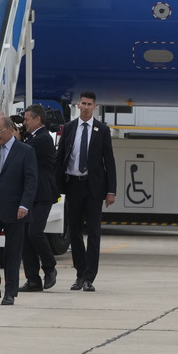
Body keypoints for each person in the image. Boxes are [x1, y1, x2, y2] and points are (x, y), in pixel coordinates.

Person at [55, 92, 116, 292]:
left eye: (90, 104)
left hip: (94, 187)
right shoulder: (70, 128)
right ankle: (80, 274)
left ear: (95, 107)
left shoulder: (102, 130)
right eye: (83, 103)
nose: (86, 107)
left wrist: (111, 191)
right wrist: (55, 185)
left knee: (94, 233)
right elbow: (60, 156)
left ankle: (90, 276)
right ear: (78, 105)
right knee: (74, 233)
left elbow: (110, 161)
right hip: (73, 185)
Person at [0, 115, 37, 306]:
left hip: (15, 208)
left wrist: (25, 205)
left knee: (12, 252)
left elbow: (31, 180)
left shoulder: (26, 151)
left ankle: (10, 291)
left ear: (11, 129)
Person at [19, 104, 59, 292]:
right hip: (29, 193)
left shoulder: (42, 138)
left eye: (27, 119)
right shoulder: (33, 137)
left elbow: (23, 153)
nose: (24, 122)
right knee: (26, 238)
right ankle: (33, 279)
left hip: (42, 193)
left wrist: (16, 138)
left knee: (35, 232)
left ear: (37, 119)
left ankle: (50, 267)